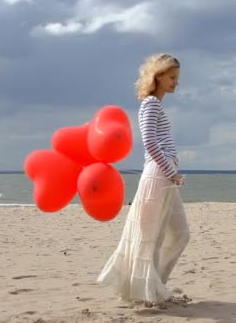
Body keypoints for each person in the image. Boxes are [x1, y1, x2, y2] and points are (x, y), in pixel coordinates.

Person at [96, 53, 190, 306]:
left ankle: (154, 286)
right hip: (158, 178)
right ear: (158, 76)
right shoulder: (149, 104)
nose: (176, 82)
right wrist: (171, 171)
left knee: (180, 234)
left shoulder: (156, 106)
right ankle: (148, 293)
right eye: (172, 77)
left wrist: (172, 172)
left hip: (166, 178)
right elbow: (149, 141)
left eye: (177, 78)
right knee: (151, 238)